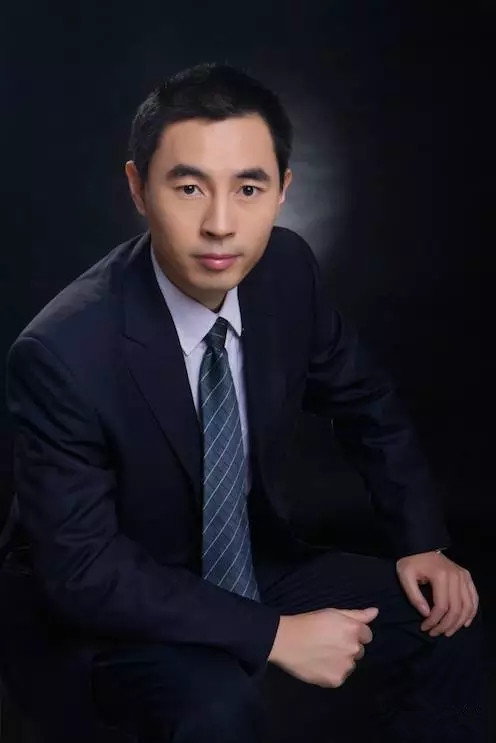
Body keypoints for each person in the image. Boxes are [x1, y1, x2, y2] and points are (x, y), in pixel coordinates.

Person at [3, 61, 488, 742]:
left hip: (248, 560)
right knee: (215, 707)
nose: (220, 224)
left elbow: (365, 401)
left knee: (447, 624)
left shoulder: (284, 271)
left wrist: (422, 542)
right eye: (189, 187)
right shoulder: (62, 351)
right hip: (110, 604)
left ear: (284, 190)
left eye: (249, 188)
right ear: (138, 188)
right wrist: (275, 634)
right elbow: (84, 569)